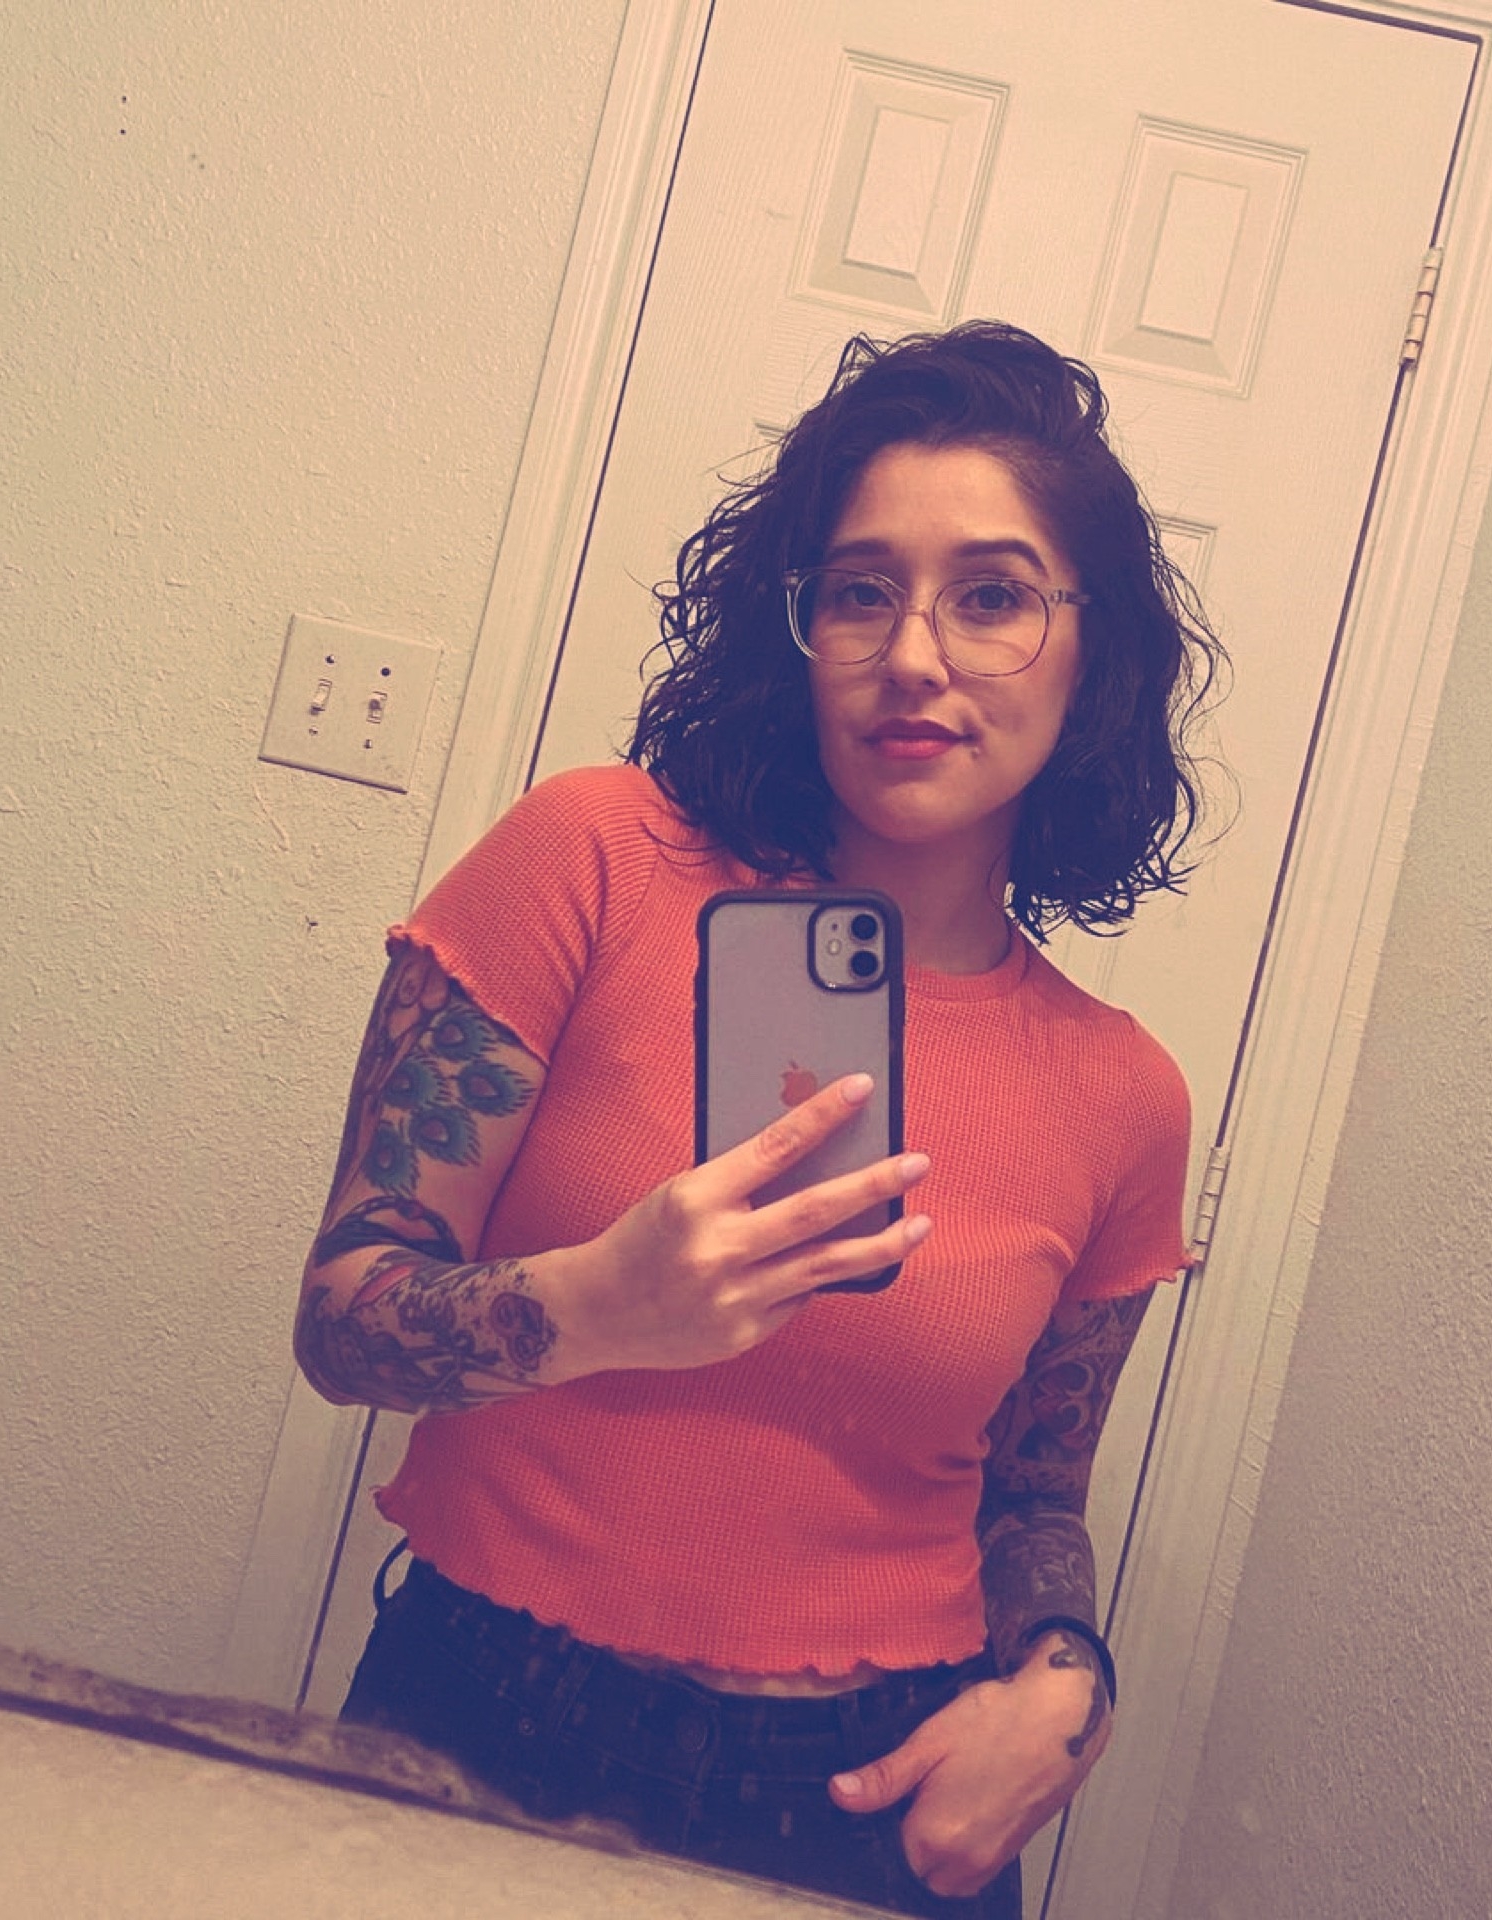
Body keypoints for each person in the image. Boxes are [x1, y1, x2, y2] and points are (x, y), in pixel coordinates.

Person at [294, 321, 1221, 1918]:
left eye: (991, 596)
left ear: (1096, 657)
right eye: (860, 591)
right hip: (482, 1719)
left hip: (869, 1798)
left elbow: (1033, 1496)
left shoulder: (1123, 1094)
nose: (913, 655)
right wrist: (593, 1307)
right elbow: (343, 1321)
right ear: (795, 628)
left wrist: (1068, 1683)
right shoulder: (593, 860)